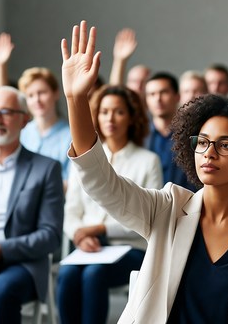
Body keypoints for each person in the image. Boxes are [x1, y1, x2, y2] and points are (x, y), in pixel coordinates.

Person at [60, 21, 228, 323]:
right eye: (203, 142)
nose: (209, 152)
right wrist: (76, 100)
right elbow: (104, 185)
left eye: (225, 145)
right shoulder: (167, 208)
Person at [57, 84, 163, 324]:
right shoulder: (85, 159)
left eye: (119, 111)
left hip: (131, 246)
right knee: (67, 274)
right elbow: (71, 210)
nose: (110, 118)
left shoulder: (148, 161)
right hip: (89, 246)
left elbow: (151, 215)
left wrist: (99, 229)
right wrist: (80, 235)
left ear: (132, 117)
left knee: (94, 274)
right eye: (104, 112)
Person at [0, 86, 64, 323]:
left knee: (0, 291)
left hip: (22, 263)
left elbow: (50, 235)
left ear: (25, 120)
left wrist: (0, 250)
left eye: (5, 112)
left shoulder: (45, 168)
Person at [17, 67, 71, 188]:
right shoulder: (21, 132)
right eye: (30, 95)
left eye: (42, 93)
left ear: (56, 93)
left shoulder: (70, 137)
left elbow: (72, 183)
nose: (37, 100)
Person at [145, 71, 194, 189]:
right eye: (152, 94)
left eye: (164, 92)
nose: (158, 99)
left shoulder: (191, 135)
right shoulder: (140, 136)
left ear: (177, 96)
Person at [108, 27, 150, 101]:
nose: (138, 86)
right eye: (134, 81)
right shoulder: (127, 109)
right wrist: (120, 61)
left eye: (143, 82)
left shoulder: (157, 111)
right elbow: (115, 92)